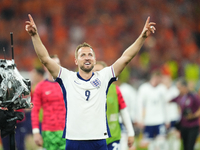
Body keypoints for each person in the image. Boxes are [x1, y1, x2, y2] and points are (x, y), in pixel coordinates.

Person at [25, 14, 156, 150]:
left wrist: (142, 37)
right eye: (83, 55)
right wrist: (35, 35)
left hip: (98, 140)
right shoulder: (67, 77)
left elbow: (126, 57)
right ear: (76, 61)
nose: (87, 57)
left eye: (90, 55)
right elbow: (45, 59)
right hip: (74, 140)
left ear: (94, 59)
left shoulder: (104, 76)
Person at [93, 61, 135, 150]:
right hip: (94, 138)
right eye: (95, 72)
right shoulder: (87, 91)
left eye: (100, 71)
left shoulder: (115, 90)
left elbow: (124, 112)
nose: (97, 74)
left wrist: (130, 132)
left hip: (113, 137)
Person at [31, 55, 66, 150]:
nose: (54, 66)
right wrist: (36, 132)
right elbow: (35, 111)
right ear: (45, 67)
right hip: (48, 132)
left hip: (67, 131)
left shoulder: (67, 84)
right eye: (51, 64)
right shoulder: (40, 87)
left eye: (57, 64)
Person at [136, 70, 169, 150]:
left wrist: (167, 119)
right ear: (153, 78)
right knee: (149, 142)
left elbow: (166, 105)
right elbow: (140, 104)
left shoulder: (163, 89)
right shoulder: (144, 88)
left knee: (161, 141)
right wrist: (140, 119)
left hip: (160, 119)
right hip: (148, 120)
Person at [170, 77, 200, 150]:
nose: (178, 90)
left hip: (193, 125)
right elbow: (169, 101)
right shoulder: (179, 97)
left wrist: (193, 116)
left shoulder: (193, 96)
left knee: (190, 147)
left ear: (184, 87)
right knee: (185, 146)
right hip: (183, 125)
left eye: (179, 88)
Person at [161, 74, 181, 150]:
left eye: (168, 80)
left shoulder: (175, 90)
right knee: (165, 136)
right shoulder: (161, 90)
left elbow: (179, 104)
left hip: (174, 116)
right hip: (164, 117)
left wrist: (179, 115)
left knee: (176, 135)